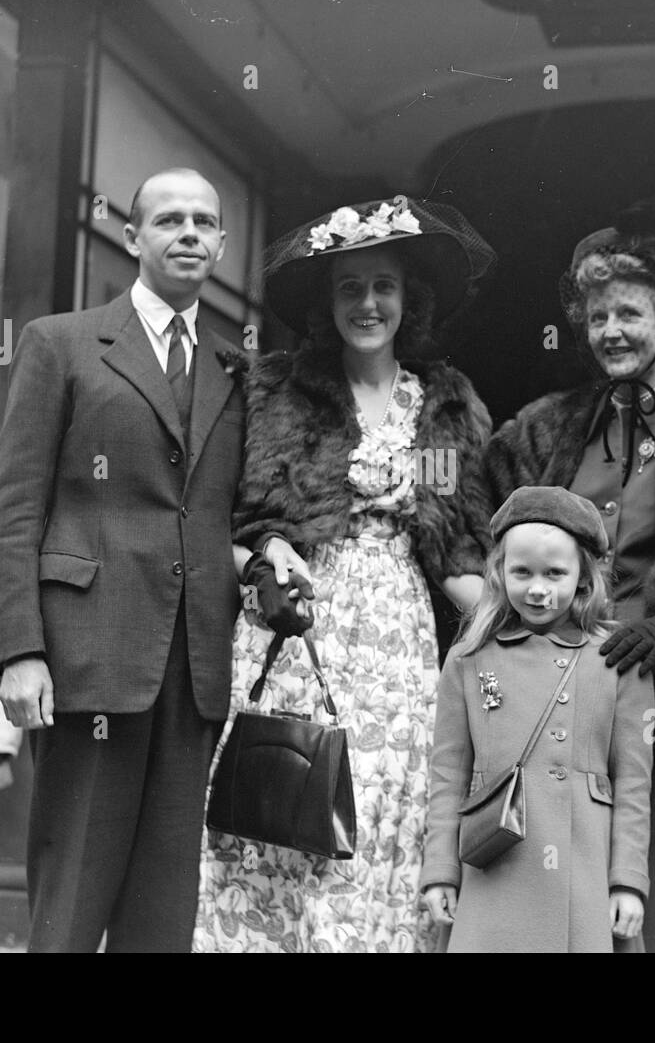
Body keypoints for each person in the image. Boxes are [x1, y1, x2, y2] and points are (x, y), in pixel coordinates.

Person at [0, 168, 301, 952]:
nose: (189, 233)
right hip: (88, 656)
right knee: (72, 894)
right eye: (169, 220)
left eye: (204, 222)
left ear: (223, 243)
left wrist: (272, 548)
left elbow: (232, 510)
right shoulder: (61, 344)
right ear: (133, 237)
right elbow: (13, 505)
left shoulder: (238, 370)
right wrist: (20, 653)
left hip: (192, 670)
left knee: (163, 913)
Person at [193, 195, 496, 953]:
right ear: (328, 304)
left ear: (408, 298)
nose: (368, 303)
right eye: (350, 287)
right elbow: (228, 531)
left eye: (383, 286)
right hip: (296, 626)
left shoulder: (442, 406)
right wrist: (268, 557)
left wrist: (516, 623)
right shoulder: (278, 392)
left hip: (398, 638)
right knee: (285, 799)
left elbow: (455, 547)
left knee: (380, 810)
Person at [483, 229, 655, 952]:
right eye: (598, 315)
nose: (612, 331)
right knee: (566, 919)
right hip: (563, 711)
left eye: (630, 313)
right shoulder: (548, 424)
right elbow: (475, 521)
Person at [420, 486, 654, 952]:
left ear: (584, 579)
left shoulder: (616, 660)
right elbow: (447, 775)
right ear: (498, 572)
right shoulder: (468, 659)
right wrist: (440, 871)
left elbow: (633, 783)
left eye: (555, 573)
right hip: (492, 866)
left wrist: (627, 880)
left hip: (583, 871)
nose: (538, 588)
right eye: (522, 572)